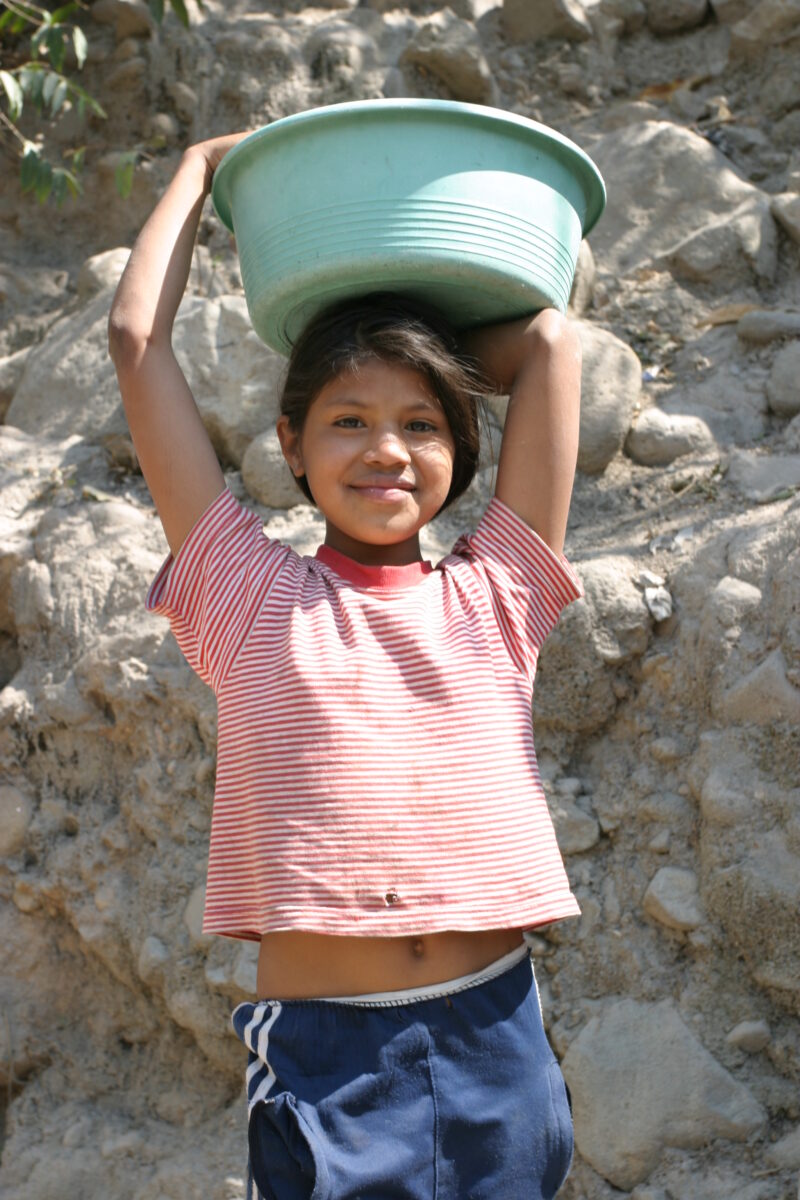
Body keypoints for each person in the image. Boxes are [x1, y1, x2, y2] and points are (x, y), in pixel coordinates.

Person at [108, 131, 584, 1200]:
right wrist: (194, 170)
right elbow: (138, 340)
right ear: (291, 442)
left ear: (463, 449)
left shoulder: (497, 593)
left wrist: (397, 321)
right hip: (331, 1063)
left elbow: (549, 342)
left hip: (495, 1041)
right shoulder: (247, 595)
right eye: (348, 420)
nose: (386, 450)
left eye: (423, 425)